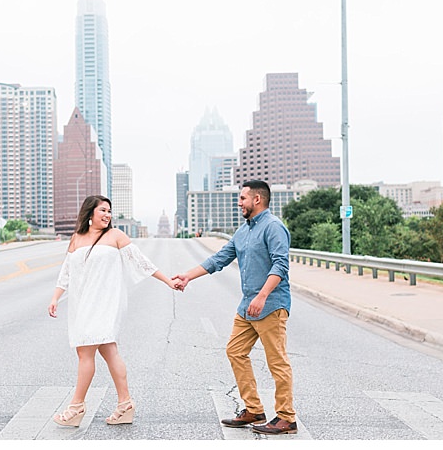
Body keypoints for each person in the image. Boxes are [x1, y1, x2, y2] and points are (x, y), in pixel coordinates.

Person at [173, 180, 297, 435]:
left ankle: (287, 417)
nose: (239, 203)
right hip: (247, 306)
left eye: (242, 198)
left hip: (270, 304)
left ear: (257, 200)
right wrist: (187, 276)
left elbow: (280, 266)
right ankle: (254, 409)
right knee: (235, 351)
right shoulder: (243, 230)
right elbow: (219, 259)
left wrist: (262, 296)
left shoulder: (273, 227)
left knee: (277, 362)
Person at [48, 195, 181, 427]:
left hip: (105, 303)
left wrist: (168, 281)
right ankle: (125, 404)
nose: (107, 215)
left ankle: (76, 407)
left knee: (85, 354)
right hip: (82, 303)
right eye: (103, 210)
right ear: (90, 213)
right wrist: (55, 298)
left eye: (109, 211)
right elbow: (66, 272)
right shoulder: (76, 239)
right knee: (109, 351)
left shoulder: (116, 236)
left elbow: (142, 262)